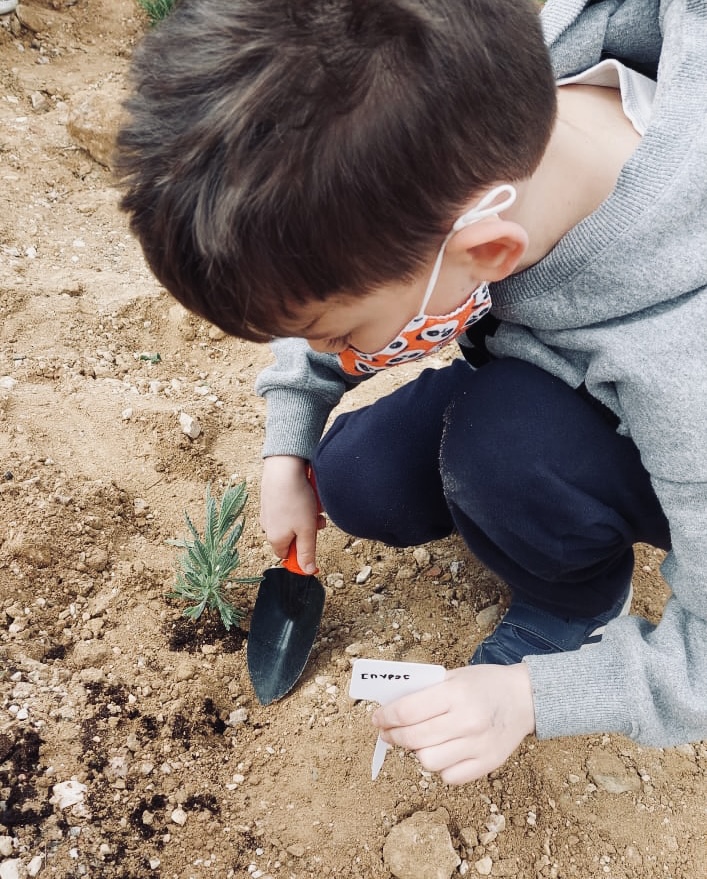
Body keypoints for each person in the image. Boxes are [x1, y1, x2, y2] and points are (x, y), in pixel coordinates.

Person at [116, 0, 707, 785]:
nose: (330, 354)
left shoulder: (682, 360)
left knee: (501, 442)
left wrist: (534, 697)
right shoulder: (465, 98)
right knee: (359, 478)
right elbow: (336, 267)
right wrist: (287, 439)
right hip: (542, 358)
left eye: (341, 337)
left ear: (488, 252)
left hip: (662, 439)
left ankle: (572, 602)